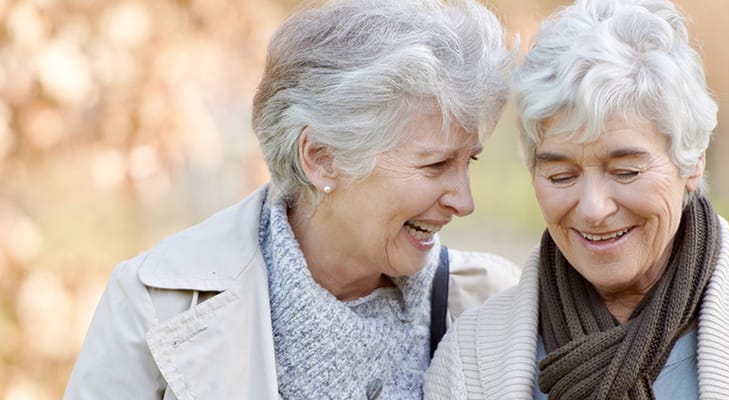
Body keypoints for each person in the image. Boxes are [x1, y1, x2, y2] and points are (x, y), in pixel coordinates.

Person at [423, 0, 729, 399]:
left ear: (693, 161)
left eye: (625, 171)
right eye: (561, 174)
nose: (593, 208)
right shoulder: (474, 358)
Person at [64, 0, 518, 398]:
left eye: (469, 162)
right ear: (320, 158)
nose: (464, 201)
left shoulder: (496, 306)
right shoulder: (154, 306)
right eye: (436, 166)